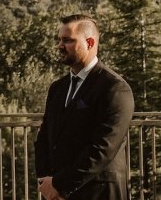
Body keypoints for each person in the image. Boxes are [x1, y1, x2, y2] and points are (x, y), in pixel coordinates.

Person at [34, 15, 134, 200]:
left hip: (99, 193)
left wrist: (60, 184)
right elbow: (44, 138)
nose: (60, 46)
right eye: (59, 40)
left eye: (67, 40)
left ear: (89, 42)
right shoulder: (57, 88)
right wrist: (46, 182)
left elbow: (102, 149)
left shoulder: (115, 88)